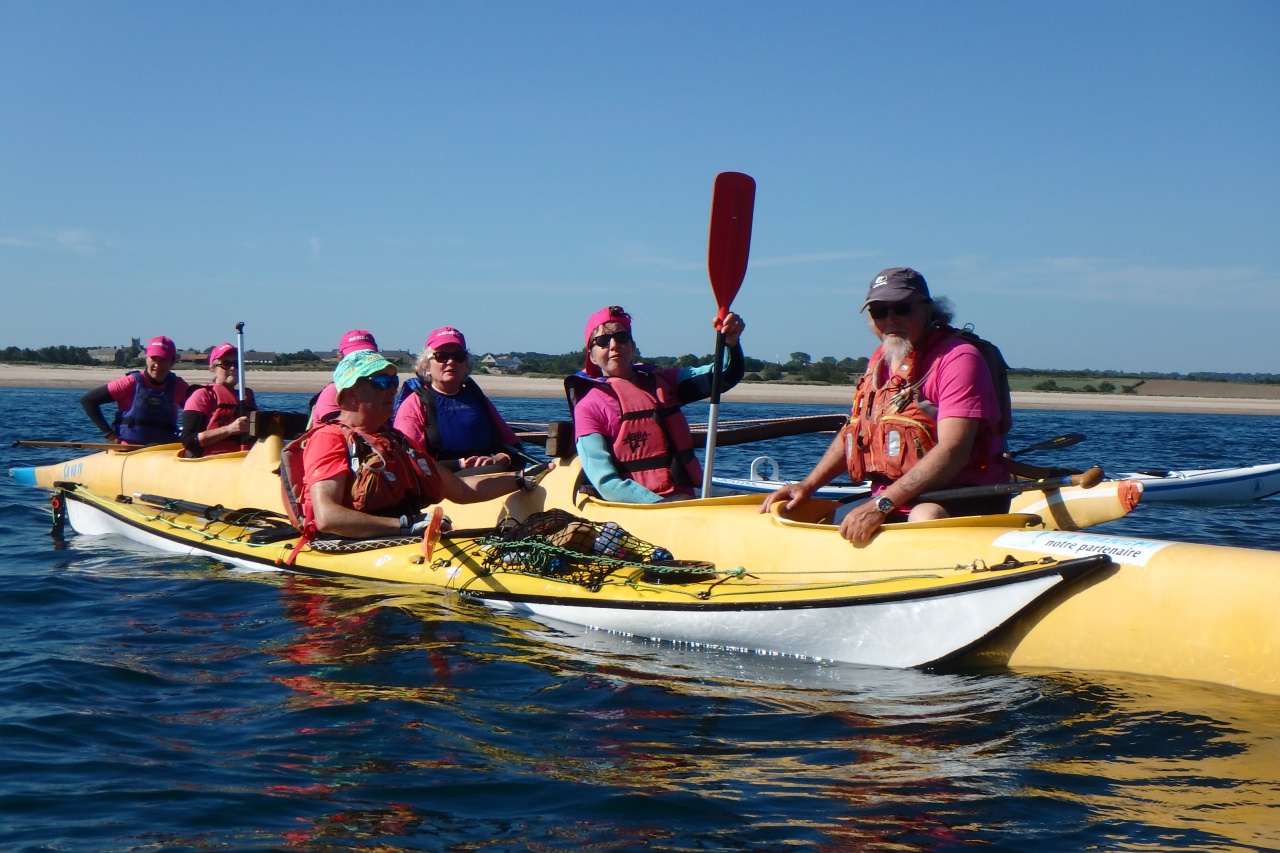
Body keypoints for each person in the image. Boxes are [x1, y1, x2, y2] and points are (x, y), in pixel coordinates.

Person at [760, 267, 1010, 543]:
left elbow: (954, 451)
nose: (890, 319)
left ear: (928, 310)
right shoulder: (881, 358)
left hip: (959, 495)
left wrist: (882, 505)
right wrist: (808, 486)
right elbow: (854, 433)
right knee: (811, 516)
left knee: (925, 516)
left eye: (902, 308)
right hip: (892, 497)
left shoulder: (959, 358)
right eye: (879, 311)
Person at [298, 349, 540, 539]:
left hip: (397, 536)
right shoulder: (329, 438)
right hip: (348, 545)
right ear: (350, 396)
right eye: (381, 382)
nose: (392, 391)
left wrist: (522, 479)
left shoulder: (397, 441)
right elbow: (328, 517)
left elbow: (462, 490)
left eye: (394, 383)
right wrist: (405, 526)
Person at [566, 305, 746, 503]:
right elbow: (605, 482)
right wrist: (660, 506)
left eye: (622, 337)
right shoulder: (588, 407)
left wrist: (730, 342)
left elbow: (724, 374)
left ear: (633, 347)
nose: (614, 345)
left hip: (684, 500)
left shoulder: (664, 382)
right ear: (591, 355)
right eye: (602, 341)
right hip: (640, 510)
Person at [392, 326, 526, 470]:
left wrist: (501, 459)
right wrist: (461, 465)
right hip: (443, 483)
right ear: (427, 366)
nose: (451, 362)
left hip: (487, 477)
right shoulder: (414, 404)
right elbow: (410, 465)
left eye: (458, 356)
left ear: (466, 365)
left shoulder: (478, 400)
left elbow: (517, 453)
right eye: (442, 356)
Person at [80, 335, 190, 445]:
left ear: (172, 361)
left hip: (163, 451)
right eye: (154, 358)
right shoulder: (130, 382)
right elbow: (88, 400)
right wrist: (110, 435)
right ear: (147, 358)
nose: (157, 364)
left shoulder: (179, 386)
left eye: (163, 359)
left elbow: (199, 413)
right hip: (130, 450)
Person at [180, 343, 257, 457]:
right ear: (213, 370)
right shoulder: (202, 395)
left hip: (243, 459)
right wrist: (228, 430)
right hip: (211, 461)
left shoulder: (246, 397)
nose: (233, 368)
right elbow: (188, 440)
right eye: (226, 364)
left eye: (237, 364)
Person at [309, 329, 379, 425]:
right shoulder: (334, 391)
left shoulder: (381, 387)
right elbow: (340, 430)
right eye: (354, 357)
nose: (361, 361)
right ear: (340, 358)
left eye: (366, 356)